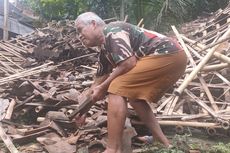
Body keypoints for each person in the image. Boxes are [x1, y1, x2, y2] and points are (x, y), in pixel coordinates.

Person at [75, 12, 187, 153]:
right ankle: (162, 141)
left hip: (168, 54)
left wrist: (104, 87)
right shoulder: (104, 52)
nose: (79, 36)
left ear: (93, 24)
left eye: (80, 29)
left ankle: (113, 149)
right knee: (135, 99)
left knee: (116, 87)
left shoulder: (112, 31)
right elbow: (96, 85)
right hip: (174, 57)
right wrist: (83, 110)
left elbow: (128, 62)